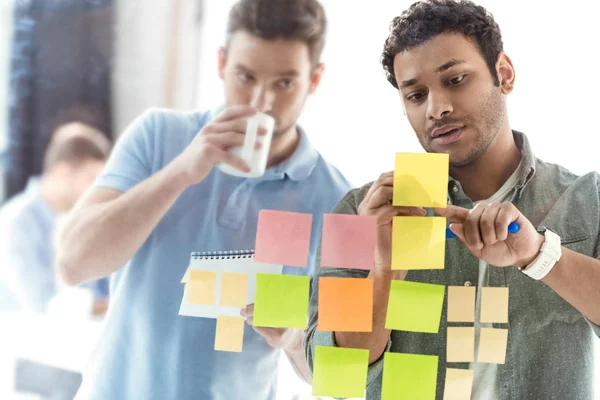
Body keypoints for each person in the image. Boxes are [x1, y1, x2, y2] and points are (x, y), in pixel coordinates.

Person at [304, 1, 600, 399]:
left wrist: (539, 255)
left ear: (504, 75)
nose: (436, 108)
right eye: (415, 94)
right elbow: (334, 375)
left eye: (456, 79)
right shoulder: (361, 213)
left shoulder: (586, 200)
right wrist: (385, 268)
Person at [57, 0, 350, 399]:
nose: (261, 102)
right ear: (221, 63)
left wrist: (294, 339)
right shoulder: (158, 135)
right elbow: (74, 264)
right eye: (245, 76)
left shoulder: (336, 200)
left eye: (284, 83)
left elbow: (340, 374)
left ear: (314, 80)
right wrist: (181, 171)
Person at [0, 122, 111, 315]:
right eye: (92, 179)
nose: (98, 190)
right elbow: (43, 306)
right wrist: (112, 305)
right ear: (63, 171)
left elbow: (104, 285)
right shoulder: (16, 223)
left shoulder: (79, 221)